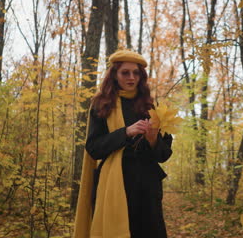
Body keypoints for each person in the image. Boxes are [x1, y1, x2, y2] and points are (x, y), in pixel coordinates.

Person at [73, 50, 173, 238]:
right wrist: (126, 132)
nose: (131, 77)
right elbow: (94, 148)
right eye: (125, 72)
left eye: (136, 73)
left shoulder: (151, 106)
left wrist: (152, 140)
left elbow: (164, 154)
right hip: (114, 184)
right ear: (114, 75)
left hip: (146, 186)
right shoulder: (102, 104)